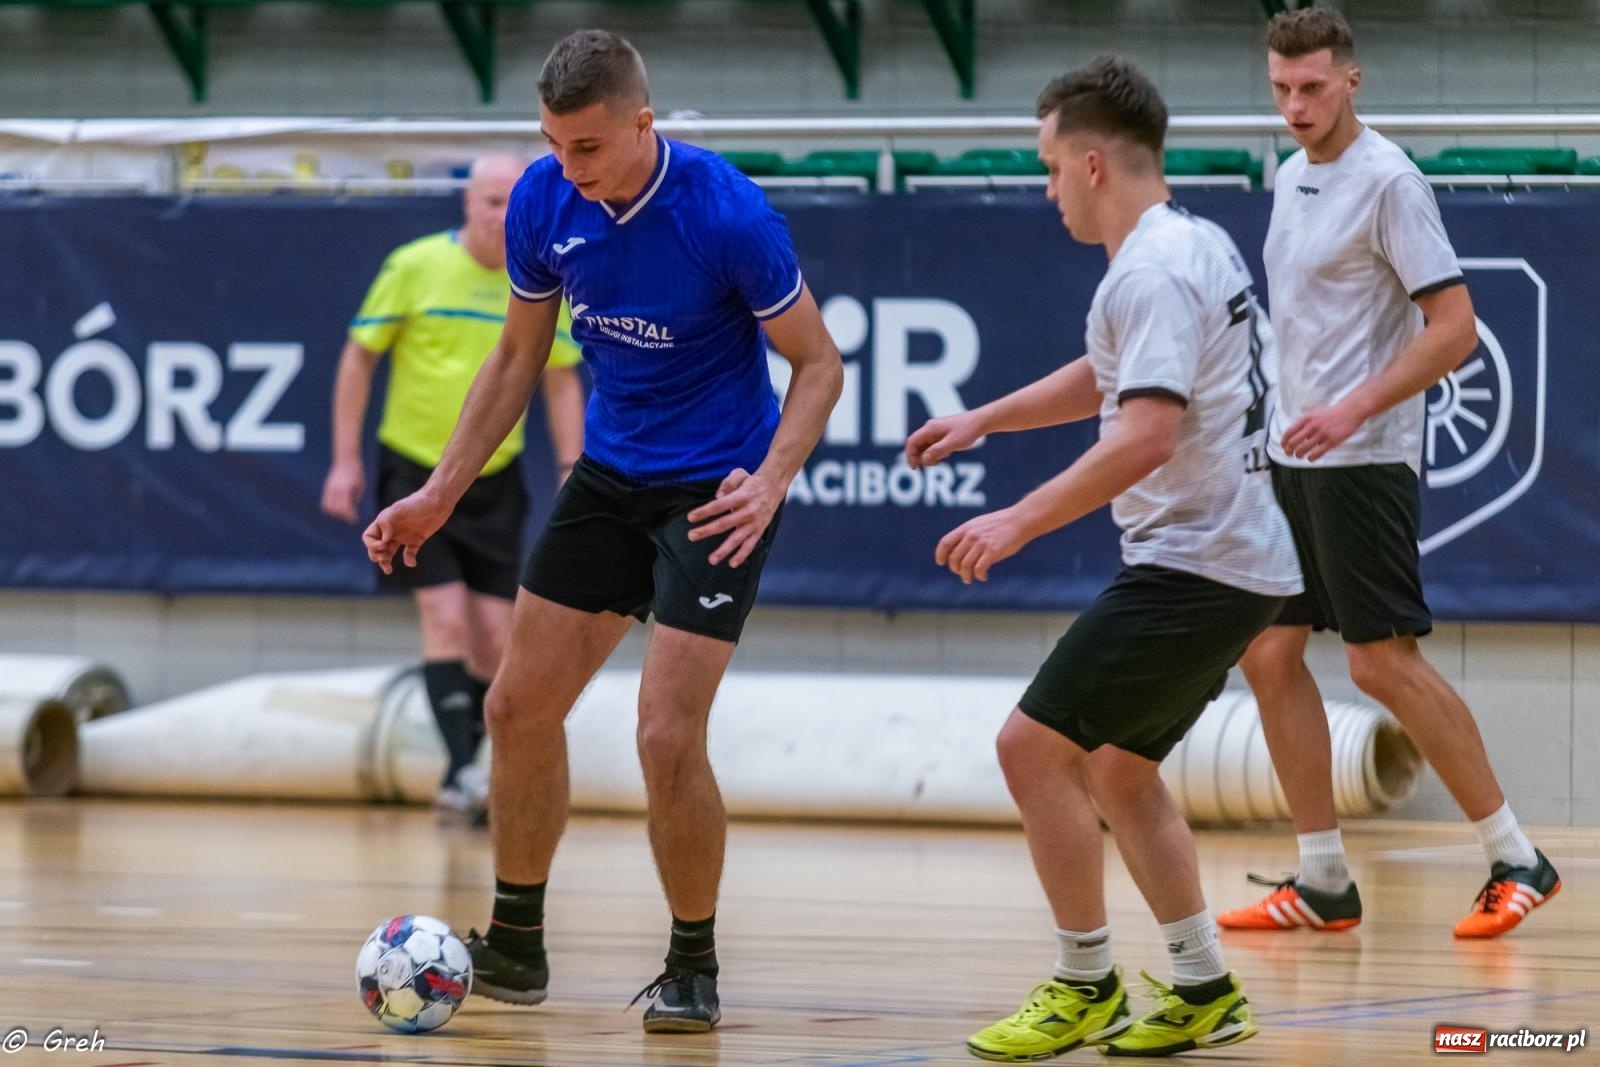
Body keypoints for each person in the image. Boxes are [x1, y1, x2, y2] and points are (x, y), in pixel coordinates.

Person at [361, 30, 842, 1033]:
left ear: (640, 123)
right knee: (515, 708)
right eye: (551, 143)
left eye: (585, 147)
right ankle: (520, 944)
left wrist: (771, 481)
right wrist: (442, 490)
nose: (566, 168)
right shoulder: (544, 200)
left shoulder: (724, 211)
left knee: (665, 733)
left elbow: (819, 364)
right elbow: (516, 360)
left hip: (715, 491)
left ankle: (692, 963)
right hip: (609, 475)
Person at [906, 56, 1300, 1061]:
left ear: (1089, 162)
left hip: (1195, 562)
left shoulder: (1152, 267)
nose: (1044, 190)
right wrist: (985, 419)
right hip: (1235, 561)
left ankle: (1085, 981)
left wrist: (1014, 521)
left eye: (1046, 167)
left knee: (1029, 747)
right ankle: (1205, 983)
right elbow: (1111, 376)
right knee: (1120, 769)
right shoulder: (1187, 241)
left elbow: (1145, 433)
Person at [1219, 7, 1560, 939]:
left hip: (1362, 461)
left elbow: (1453, 331)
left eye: (1313, 88)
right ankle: (1323, 877)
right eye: (1282, 88)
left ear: (1352, 81)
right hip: (1289, 458)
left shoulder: (1391, 182)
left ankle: (1516, 854)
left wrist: (1355, 406)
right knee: (1269, 652)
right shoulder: (1290, 177)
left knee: (1380, 662)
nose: (1295, 105)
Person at [321, 155, 586, 823]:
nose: (500, 216)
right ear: (467, 204)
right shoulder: (414, 265)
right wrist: (345, 460)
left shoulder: (540, 281)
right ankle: (466, 769)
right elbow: (359, 356)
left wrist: (571, 470)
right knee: (443, 618)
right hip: (416, 470)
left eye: (511, 204)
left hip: (494, 480)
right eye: (489, 202)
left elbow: (559, 381)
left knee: (496, 636)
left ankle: (461, 773)